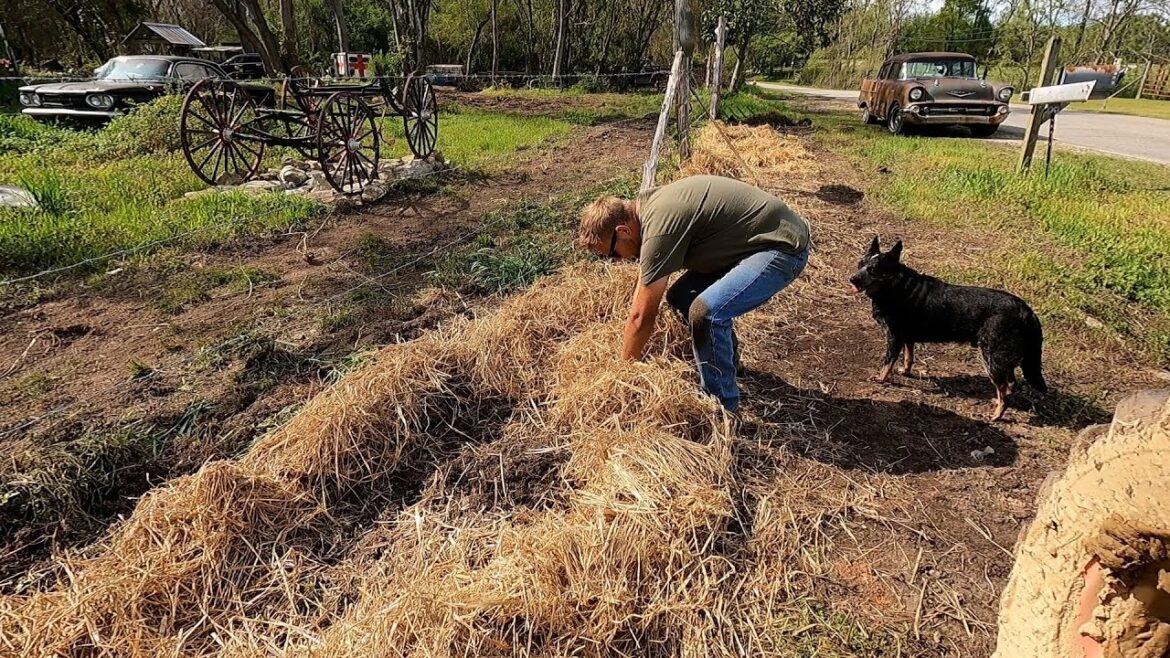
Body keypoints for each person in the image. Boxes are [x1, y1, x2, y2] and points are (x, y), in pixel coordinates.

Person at [578, 174, 811, 413]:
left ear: (623, 230)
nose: (618, 260)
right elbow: (644, 284)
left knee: (706, 313)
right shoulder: (647, 209)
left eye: (612, 254)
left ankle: (721, 411)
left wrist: (621, 376)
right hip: (748, 244)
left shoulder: (659, 227)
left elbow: (640, 317)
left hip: (780, 247)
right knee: (681, 297)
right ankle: (727, 365)